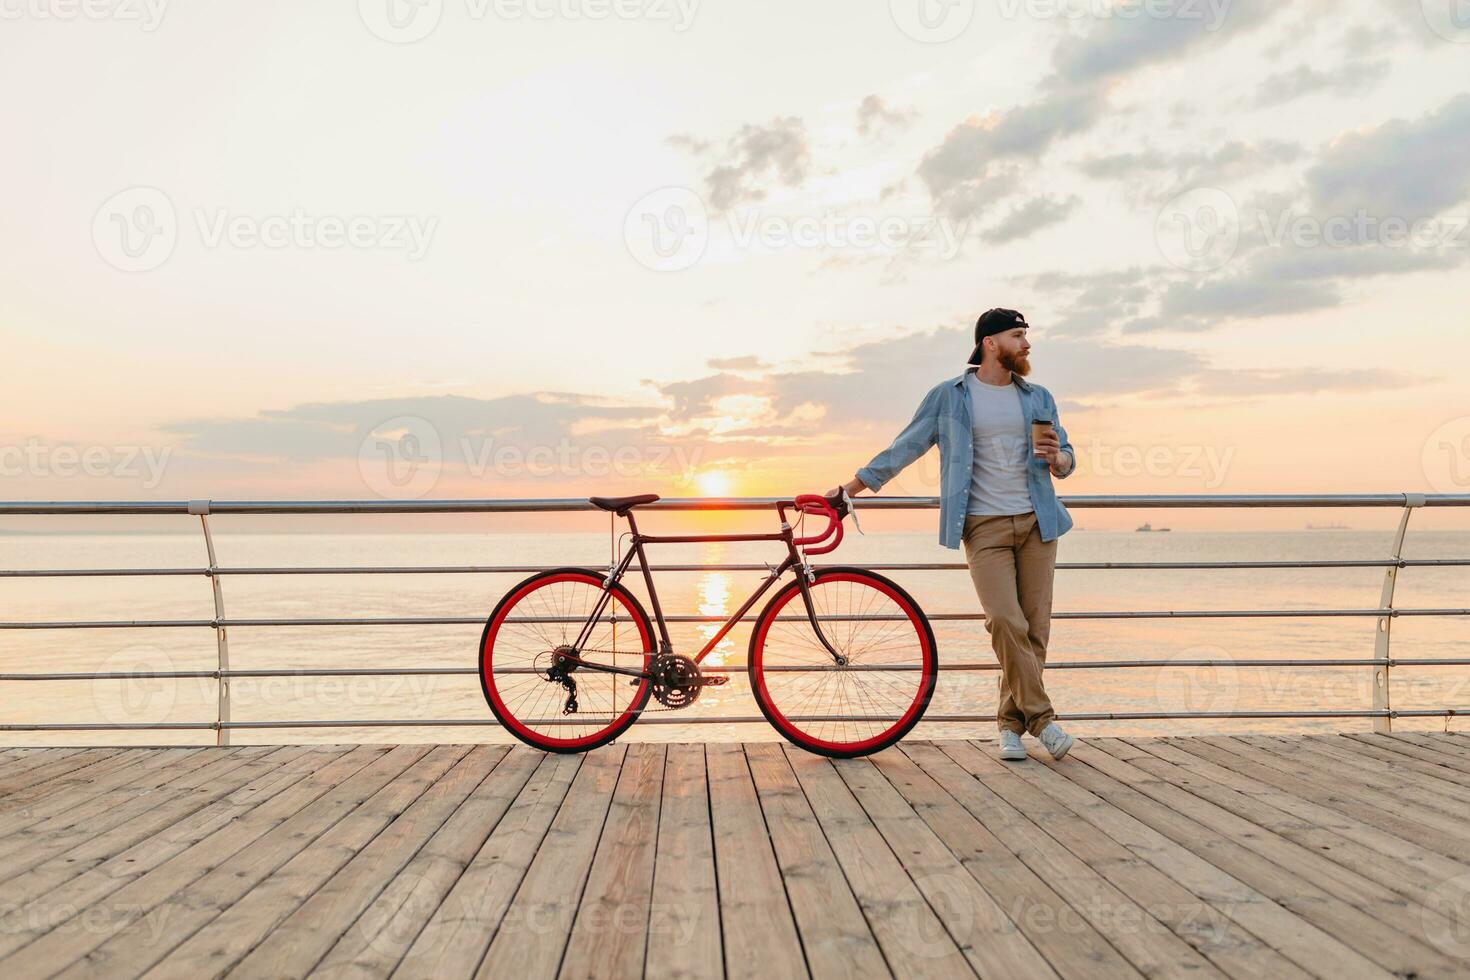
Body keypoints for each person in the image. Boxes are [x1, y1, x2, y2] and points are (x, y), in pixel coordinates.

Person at [825, 308, 1077, 761]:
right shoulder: (950, 396)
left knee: (1033, 631)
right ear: (990, 343)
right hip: (983, 526)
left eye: (1026, 335)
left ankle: (1009, 728)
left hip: (1040, 523)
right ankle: (1043, 719)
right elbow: (905, 446)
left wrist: (1059, 458)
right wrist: (851, 489)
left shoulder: (1039, 397)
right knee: (1005, 622)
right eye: (1017, 335)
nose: (1026, 344)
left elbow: (1067, 459)